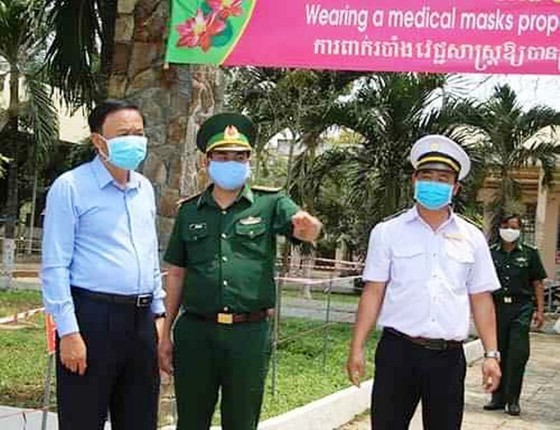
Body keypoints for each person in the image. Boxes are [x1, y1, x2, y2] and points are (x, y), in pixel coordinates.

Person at [158, 112, 322, 430]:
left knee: (242, 421)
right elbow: (177, 273)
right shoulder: (190, 211)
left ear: (249, 161)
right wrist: (164, 334)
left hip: (249, 334)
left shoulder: (271, 203)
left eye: (239, 156)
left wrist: (309, 227)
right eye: (222, 156)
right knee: (190, 422)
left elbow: (303, 228)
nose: (231, 162)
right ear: (207, 161)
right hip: (196, 333)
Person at [347, 135, 503, 430]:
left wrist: (491, 354)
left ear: (455, 187)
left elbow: (481, 299)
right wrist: (357, 347)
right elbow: (373, 292)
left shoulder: (472, 238)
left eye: (443, 178)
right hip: (398, 352)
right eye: (426, 176)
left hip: (448, 358)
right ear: (414, 180)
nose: (434, 183)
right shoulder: (387, 232)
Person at [41, 99, 165, 430]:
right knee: (83, 418)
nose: (134, 141)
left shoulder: (144, 189)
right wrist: (68, 332)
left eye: (139, 133)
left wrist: (159, 313)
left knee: (139, 419)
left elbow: (149, 255)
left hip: (141, 321)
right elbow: (54, 266)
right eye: (123, 134)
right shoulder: (70, 187)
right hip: (92, 319)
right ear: (99, 141)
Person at [484, 214, 547, 416]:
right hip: (497, 308)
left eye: (513, 227)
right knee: (498, 352)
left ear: (519, 230)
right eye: (505, 226)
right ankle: (497, 397)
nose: (508, 230)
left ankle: (513, 400)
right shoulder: (491, 253)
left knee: (517, 355)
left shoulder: (530, 253)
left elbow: (537, 282)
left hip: (521, 309)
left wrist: (539, 310)